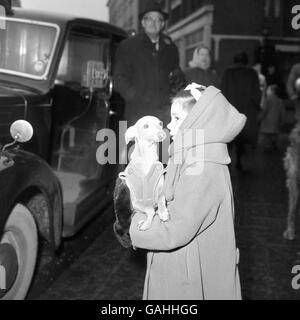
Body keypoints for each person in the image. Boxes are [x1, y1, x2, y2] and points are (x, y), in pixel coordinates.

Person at [129, 83, 246, 300]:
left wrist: (132, 226)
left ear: (198, 122)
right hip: (183, 270)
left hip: (185, 284)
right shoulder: (191, 155)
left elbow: (175, 230)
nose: (169, 128)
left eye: (177, 119)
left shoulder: (203, 167)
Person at [113, 0, 184, 127]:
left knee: (163, 147)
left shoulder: (171, 48)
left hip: (165, 117)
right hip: (138, 116)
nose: (154, 22)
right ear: (143, 22)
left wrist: (178, 81)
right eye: (149, 19)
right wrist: (137, 96)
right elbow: (119, 79)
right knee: (137, 147)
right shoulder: (128, 46)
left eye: (158, 19)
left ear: (162, 24)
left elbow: (177, 77)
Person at [221, 51, 261, 170]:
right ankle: (239, 159)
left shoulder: (228, 72)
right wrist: (257, 106)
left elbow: (222, 89)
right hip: (246, 110)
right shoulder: (252, 73)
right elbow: (256, 93)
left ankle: (226, 161)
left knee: (229, 137)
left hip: (230, 110)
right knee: (241, 137)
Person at [258, 84, 285, 152]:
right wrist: (282, 120)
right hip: (276, 121)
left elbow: (264, 110)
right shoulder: (280, 100)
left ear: (272, 91)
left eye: (268, 90)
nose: (267, 91)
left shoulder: (267, 99)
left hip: (267, 121)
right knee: (274, 135)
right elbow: (282, 112)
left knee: (266, 136)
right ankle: (273, 144)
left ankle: (268, 147)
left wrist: (259, 118)